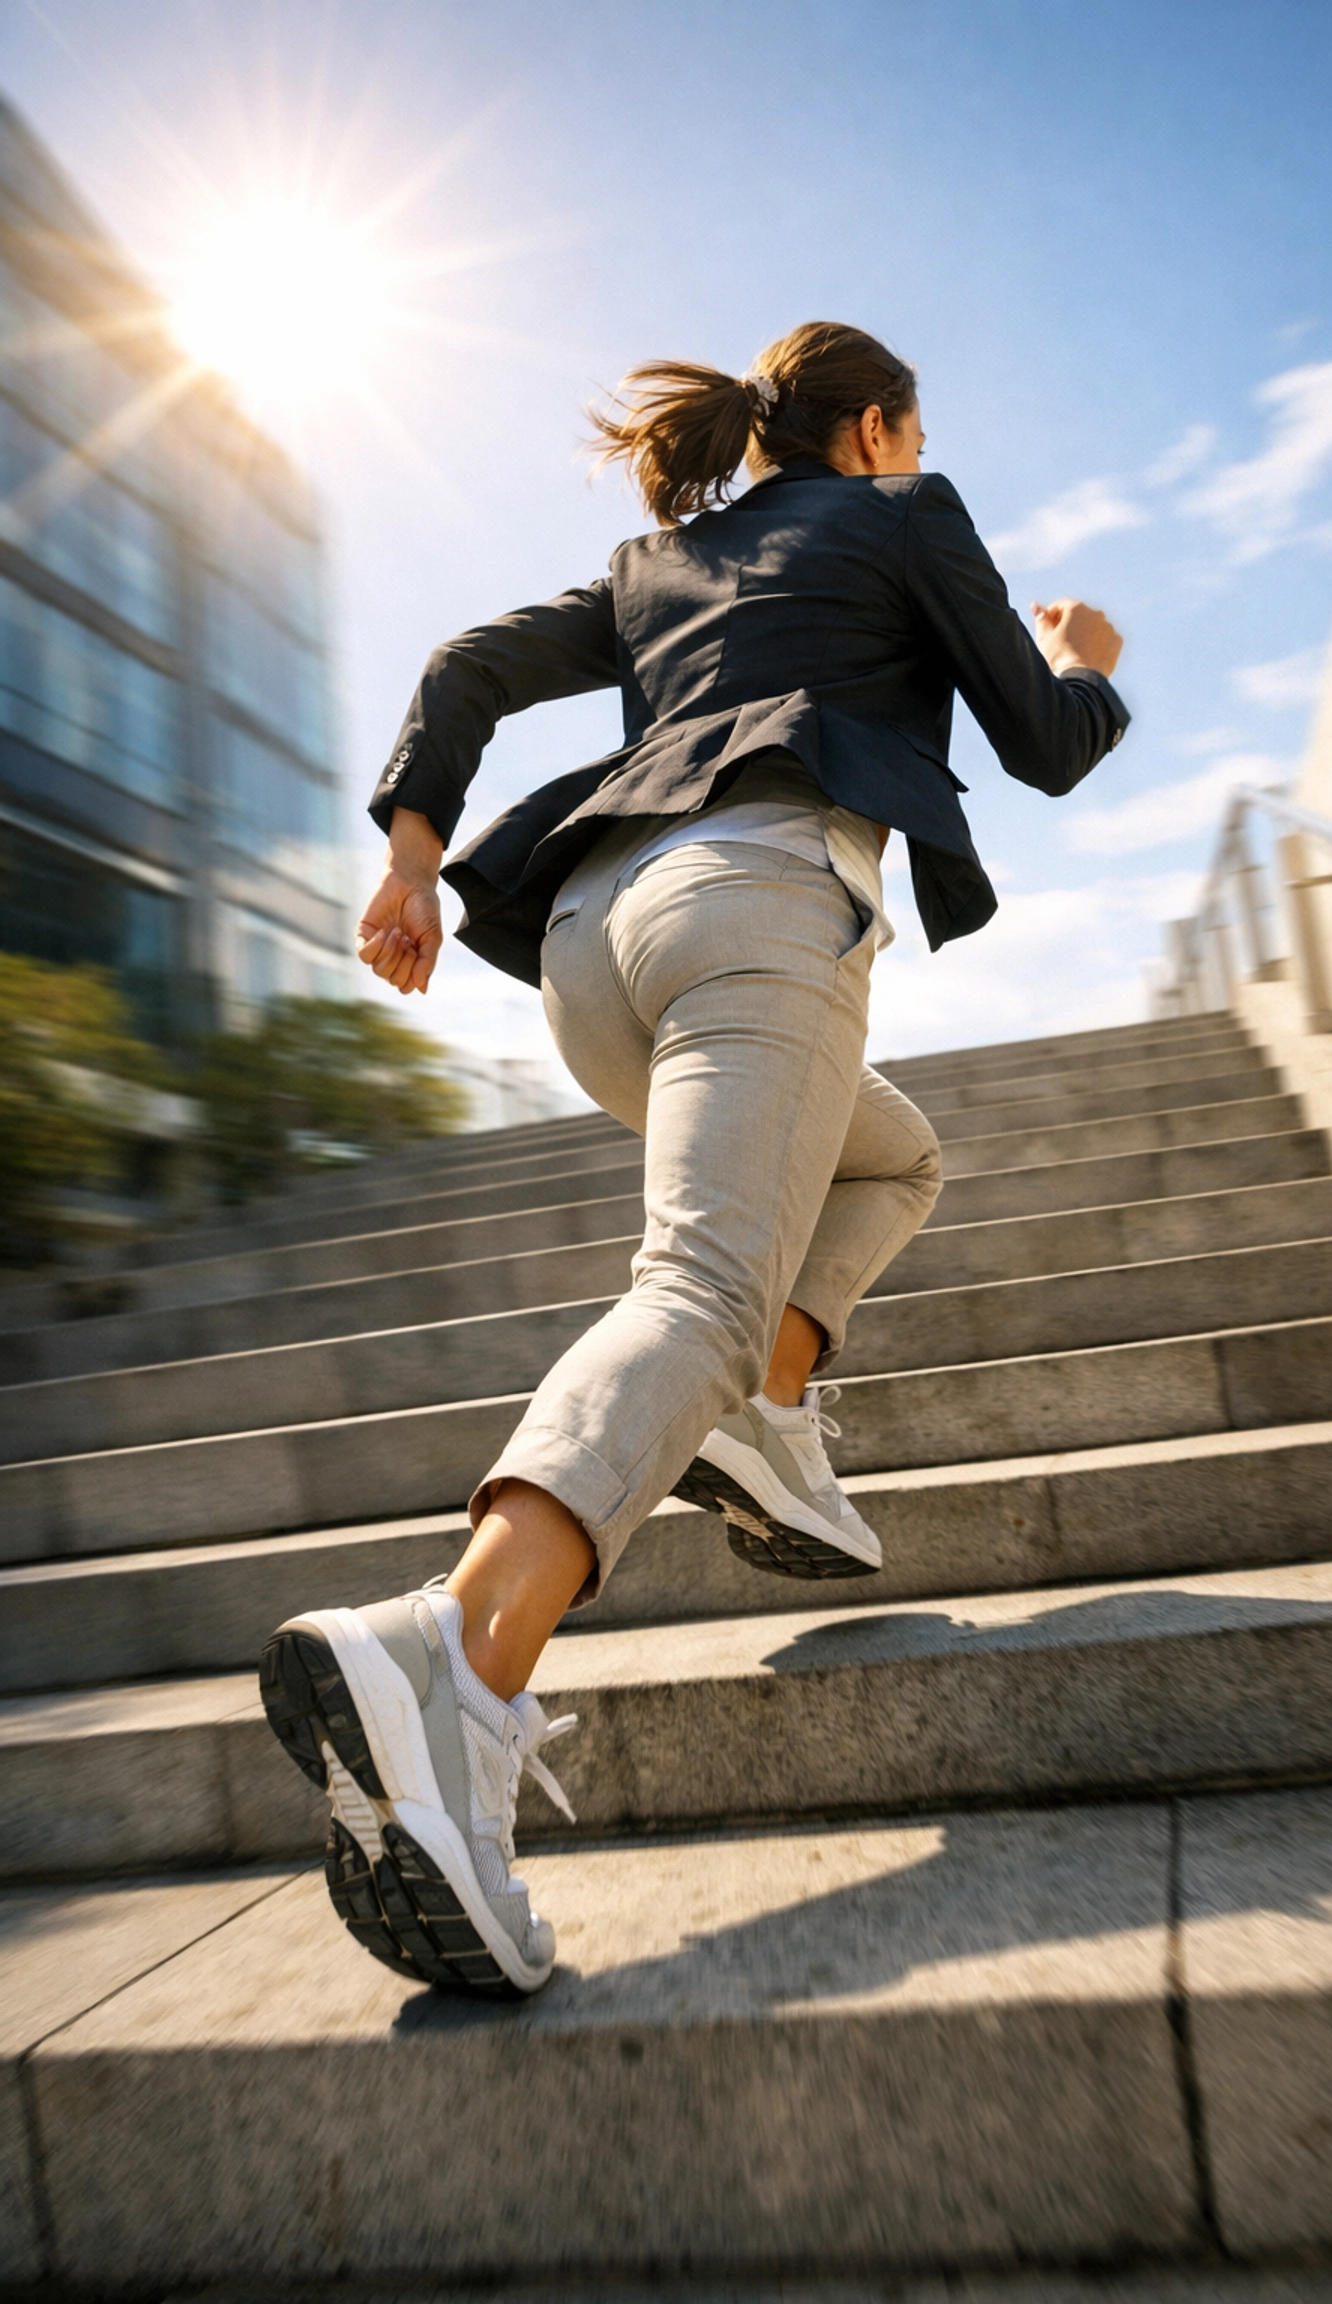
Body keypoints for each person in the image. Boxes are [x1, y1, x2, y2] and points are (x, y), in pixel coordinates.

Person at [260, 320, 1127, 1999]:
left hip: (591, 942)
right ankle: (454, 1650)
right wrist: (1084, 658)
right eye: (908, 429)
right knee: (704, 1283)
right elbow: (1040, 741)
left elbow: (462, 662)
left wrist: (415, 865)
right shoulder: (908, 510)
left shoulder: (658, 560)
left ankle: (766, 1423)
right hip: (756, 899)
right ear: (875, 429)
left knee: (890, 1165)